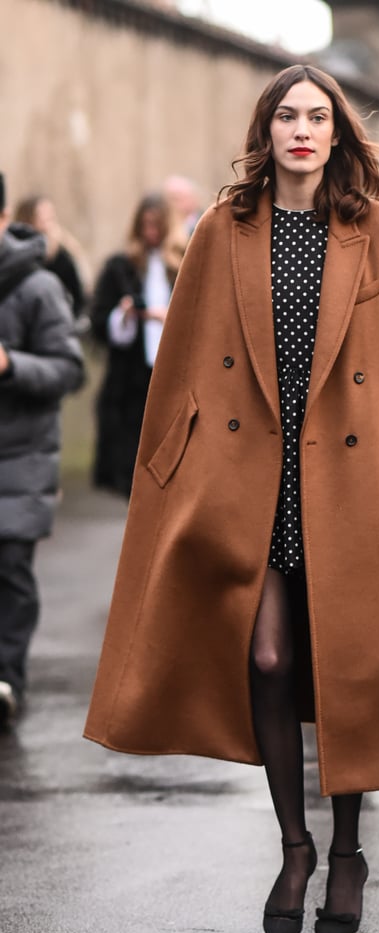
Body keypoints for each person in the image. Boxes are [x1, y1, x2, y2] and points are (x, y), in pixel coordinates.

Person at [83, 64, 379, 933]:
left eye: (317, 116)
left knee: (349, 662)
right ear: (267, 131)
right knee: (266, 658)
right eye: (287, 115)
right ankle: (294, 846)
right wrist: (167, 469)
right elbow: (182, 359)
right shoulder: (224, 230)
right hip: (255, 477)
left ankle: (347, 852)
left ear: (338, 133)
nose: (302, 129)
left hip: (355, 478)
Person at [0, 172, 85, 727]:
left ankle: (7, 679)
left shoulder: (37, 287)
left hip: (19, 461)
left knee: (9, 569)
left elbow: (69, 368)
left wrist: (10, 365)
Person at [90, 192, 187, 498]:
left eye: (157, 225)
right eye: (145, 225)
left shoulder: (186, 263)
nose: (151, 233)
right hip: (130, 382)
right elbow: (99, 322)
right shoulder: (121, 267)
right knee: (132, 469)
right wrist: (126, 315)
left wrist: (167, 317)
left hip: (176, 378)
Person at [12, 193, 88, 322]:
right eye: (42, 218)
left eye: (51, 217)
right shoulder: (14, 252)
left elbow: (79, 297)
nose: (48, 224)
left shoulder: (62, 255)